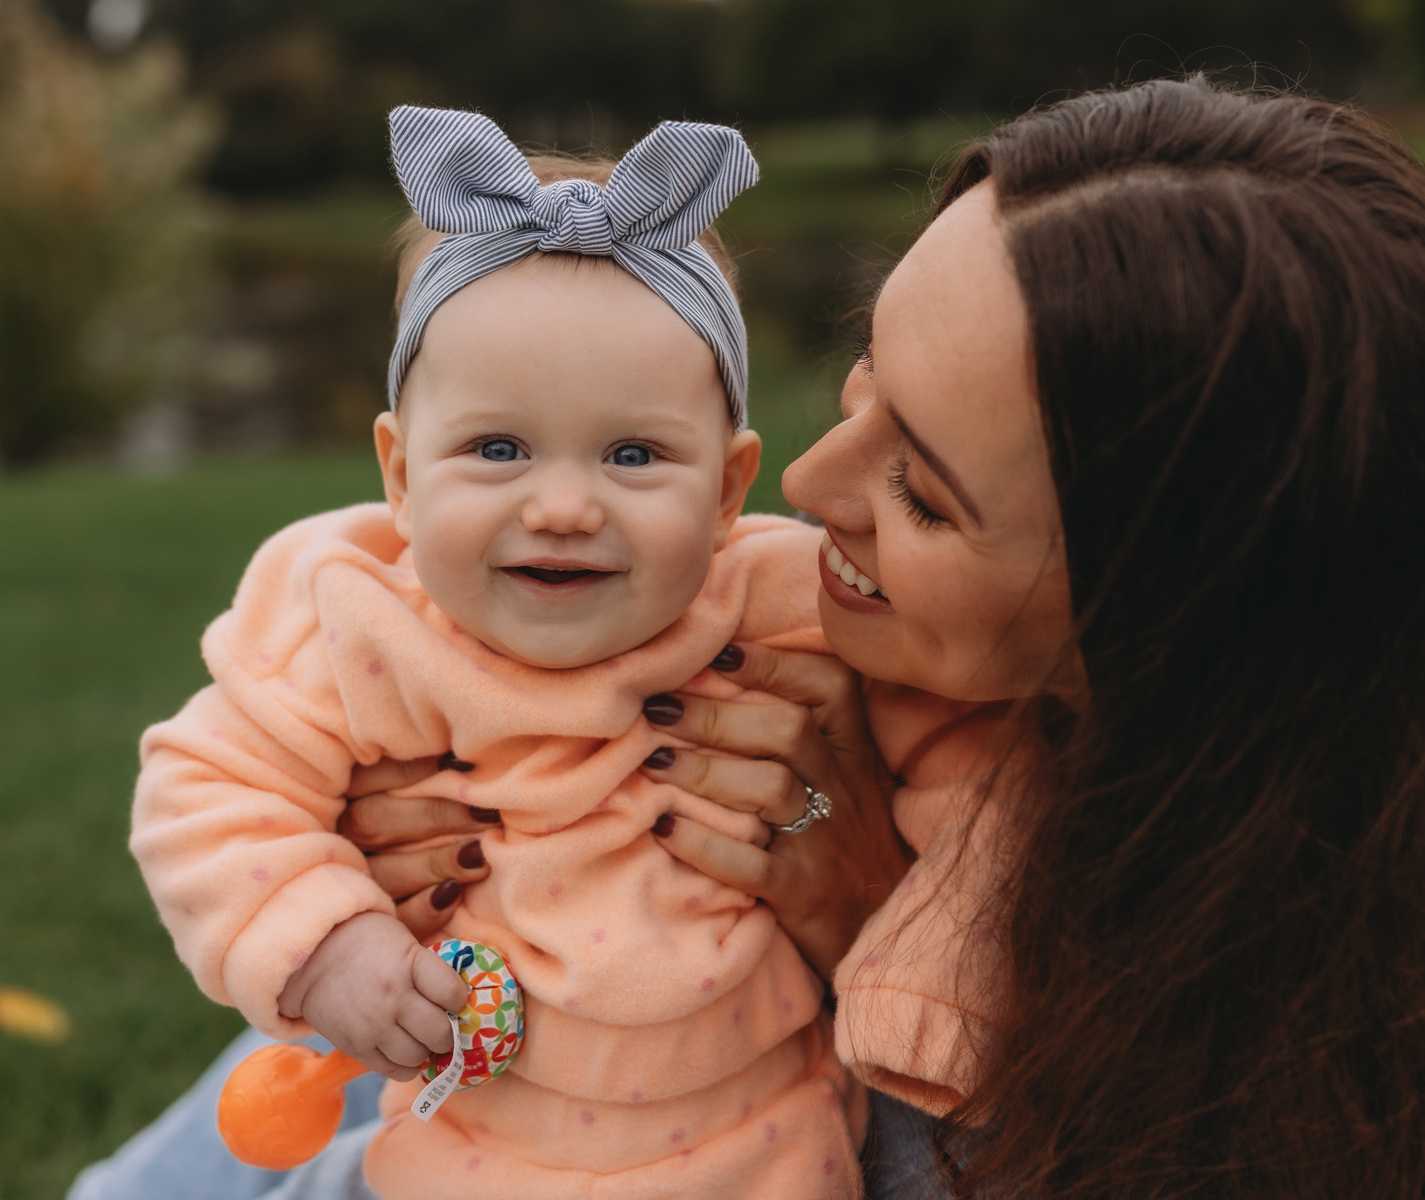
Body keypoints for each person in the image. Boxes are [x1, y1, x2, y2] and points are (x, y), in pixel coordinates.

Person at [74, 74, 1425, 1200]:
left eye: (925, 490)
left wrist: (870, 918)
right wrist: (337, 924)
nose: (810, 490)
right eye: (862, 385)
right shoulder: (369, 626)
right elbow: (225, 801)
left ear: (1149, 630)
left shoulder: (1210, 1067)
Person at [125, 106, 894, 1200]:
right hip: (468, 1159)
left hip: (762, 1156)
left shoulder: (778, 606)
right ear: (399, 475)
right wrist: (331, 942)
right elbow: (207, 785)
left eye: (633, 454)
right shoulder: (362, 625)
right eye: (497, 448)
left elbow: (965, 742)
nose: (566, 506)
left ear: (729, 489)